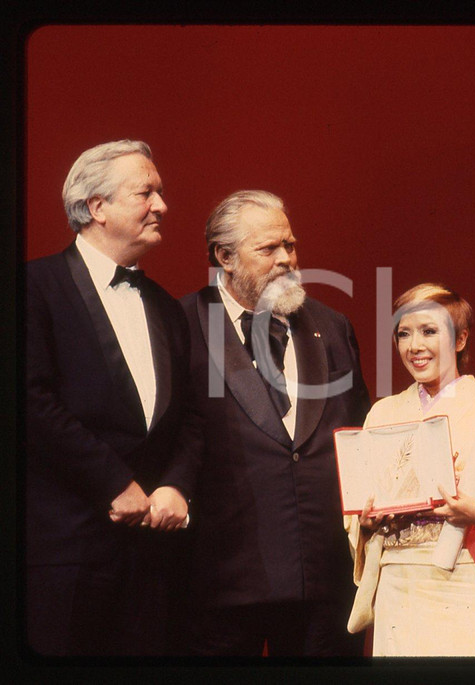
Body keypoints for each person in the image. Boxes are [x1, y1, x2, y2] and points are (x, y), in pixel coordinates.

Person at [178, 190, 371, 656]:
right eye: (268, 249)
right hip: (220, 585)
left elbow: (361, 434)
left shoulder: (333, 325)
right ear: (224, 256)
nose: (287, 259)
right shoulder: (178, 325)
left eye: (291, 245)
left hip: (325, 585)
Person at [25, 140, 193, 655]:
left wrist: (176, 487)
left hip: (153, 563)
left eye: (160, 192)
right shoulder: (32, 286)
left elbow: (188, 420)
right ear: (97, 208)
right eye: (147, 192)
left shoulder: (167, 307)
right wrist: (114, 482)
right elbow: (28, 400)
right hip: (65, 556)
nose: (162, 205)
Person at [346, 284, 475, 656]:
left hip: (462, 576)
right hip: (397, 577)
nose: (414, 346)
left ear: (460, 339)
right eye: (404, 334)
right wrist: (366, 522)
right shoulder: (382, 413)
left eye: (429, 331)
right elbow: (360, 505)